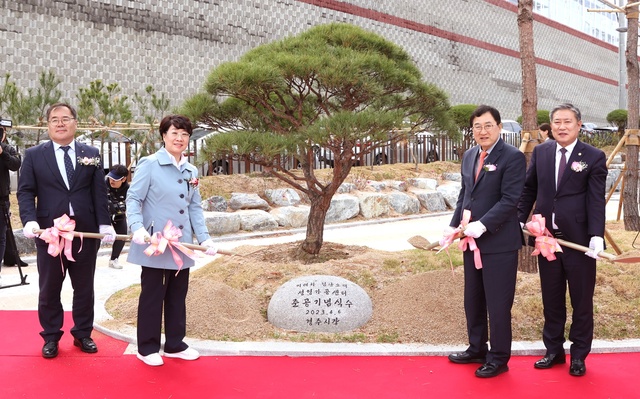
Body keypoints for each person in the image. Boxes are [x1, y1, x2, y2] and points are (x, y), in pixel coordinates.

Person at [17, 103, 116, 358]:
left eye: (65, 118)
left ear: (75, 122)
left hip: (85, 232)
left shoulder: (91, 153)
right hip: (50, 232)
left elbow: (99, 191)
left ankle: (82, 333)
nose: (60, 123)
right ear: (48, 124)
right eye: (54, 119)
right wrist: (29, 220)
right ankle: (50, 336)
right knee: (50, 287)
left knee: (84, 287)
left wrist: (105, 222)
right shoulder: (35, 155)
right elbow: (26, 191)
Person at [517, 103, 607, 377]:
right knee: (552, 298)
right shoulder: (542, 152)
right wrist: (520, 218)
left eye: (567, 122)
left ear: (579, 125)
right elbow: (529, 187)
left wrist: (596, 235)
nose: (561, 126)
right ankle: (554, 350)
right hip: (546, 240)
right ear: (551, 125)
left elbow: (595, 199)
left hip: (578, 242)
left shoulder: (593, 156)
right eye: (557, 122)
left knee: (581, 300)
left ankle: (579, 354)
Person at [126, 114, 217, 367]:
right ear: (163, 135)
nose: (180, 138)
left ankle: (175, 344)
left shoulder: (191, 170)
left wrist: (205, 238)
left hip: (183, 244)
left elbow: (194, 208)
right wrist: (137, 227)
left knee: (178, 295)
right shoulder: (149, 164)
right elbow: (133, 199)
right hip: (156, 242)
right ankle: (146, 347)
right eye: (174, 133)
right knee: (153, 294)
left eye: (185, 134)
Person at [442, 105, 526, 378]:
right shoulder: (469, 155)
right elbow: (466, 194)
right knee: (473, 299)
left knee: (498, 304)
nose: (482, 131)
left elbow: (510, 200)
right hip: (471, 240)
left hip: (499, 242)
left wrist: (483, 224)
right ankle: (477, 347)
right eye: (477, 126)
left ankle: (499, 358)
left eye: (488, 125)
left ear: (500, 127)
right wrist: (454, 225)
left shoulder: (512, 157)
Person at [0, 121, 22, 286]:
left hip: (2, 200)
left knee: (1, 236)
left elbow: (16, 165)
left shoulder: (7, 149)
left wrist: (2, 153)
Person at [106, 164, 130, 269]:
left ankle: (114, 259)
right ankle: (90, 260)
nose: (112, 181)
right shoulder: (102, 184)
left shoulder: (128, 189)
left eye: (116, 179)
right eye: (111, 177)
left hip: (118, 214)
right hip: (103, 213)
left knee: (122, 235)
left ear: (124, 179)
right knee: (96, 237)